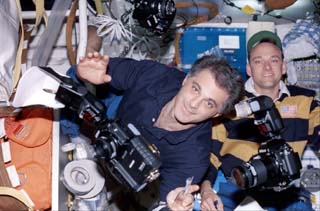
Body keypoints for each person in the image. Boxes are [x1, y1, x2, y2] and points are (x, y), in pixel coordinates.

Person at [75, 52, 244, 210]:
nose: (193, 104)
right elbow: (103, 70)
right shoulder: (154, 75)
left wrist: (170, 206)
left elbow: (168, 200)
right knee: (75, 80)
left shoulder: (194, 158)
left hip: (133, 174)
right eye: (195, 89)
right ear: (186, 79)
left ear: (217, 114)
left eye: (209, 103)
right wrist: (85, 75)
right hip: (112, 118)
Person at [200, 30, 320, 211]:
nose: (267, 67)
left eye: (274, 60)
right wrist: (206, 190)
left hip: (288, 192)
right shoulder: (231, 102)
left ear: (284, 66)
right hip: (237, 188)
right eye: (258, 61)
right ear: (249, 69)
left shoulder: (306, 101)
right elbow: (210, 154)